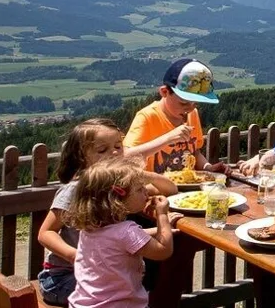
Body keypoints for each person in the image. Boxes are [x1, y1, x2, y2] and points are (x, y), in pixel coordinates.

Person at [35, 119, 178, 306]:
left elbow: (170, 189)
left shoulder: (119, 185)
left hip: (98, 272)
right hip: (62, 277)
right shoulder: (76, 190)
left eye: (118, 146)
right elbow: (45, 233)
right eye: (102, 150)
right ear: (81, 156)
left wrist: (138, 174)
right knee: (125, 291)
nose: (114, 153)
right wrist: (76, 256)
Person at [65, 157, 180, 308]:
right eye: (139, 189)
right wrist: (162, 216)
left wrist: (162, 228)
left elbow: (119, 241)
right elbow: (163, 251)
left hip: (85, 303)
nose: (146, 191)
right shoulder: (126, 231)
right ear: (117, 198)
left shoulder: (90, 229)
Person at [125, 58, 218, 173]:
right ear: (165, 92)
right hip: (157, 189)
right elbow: (125, 157)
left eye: (195, 103)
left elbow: (195, 152)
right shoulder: (147, 117)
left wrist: (208, 167)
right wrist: (167, 139)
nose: (190, 108)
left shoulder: (192, 113)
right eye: (183, 102)